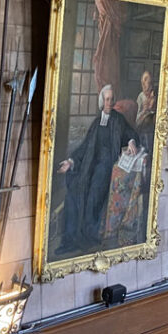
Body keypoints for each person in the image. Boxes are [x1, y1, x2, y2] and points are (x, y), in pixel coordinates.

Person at [56, 84, 139, 254]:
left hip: (106, 165)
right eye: (106, 99)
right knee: (75, 189)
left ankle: (88, 236)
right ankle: (71, 238)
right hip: (90, 164)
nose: (109, 102)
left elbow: (130, 133)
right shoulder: (96, 122)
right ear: (102, 101)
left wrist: (130, 141)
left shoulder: (118, 119)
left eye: (111, 99)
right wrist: (71, 162)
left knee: (94, 192)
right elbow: (85, 146)